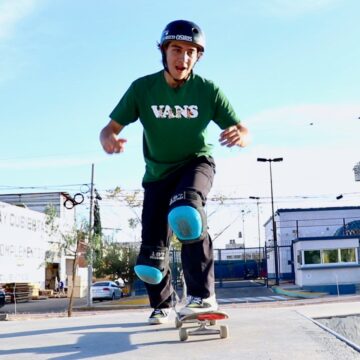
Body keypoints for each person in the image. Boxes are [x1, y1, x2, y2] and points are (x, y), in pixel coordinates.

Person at [100, 20, 249, 325]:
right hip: (157, 174)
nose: (183, 58)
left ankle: (202, 295)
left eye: (190, 52)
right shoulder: (143, 88)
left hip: (196, 163)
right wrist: (109, 139)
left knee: (187, 214)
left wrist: (240, 136)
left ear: (198, 57)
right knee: (151, 259)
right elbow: (109, 128)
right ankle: (163, 304)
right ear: (164, 51)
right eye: (177, 50)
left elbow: (242, 128)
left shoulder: (208, 90)